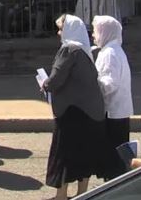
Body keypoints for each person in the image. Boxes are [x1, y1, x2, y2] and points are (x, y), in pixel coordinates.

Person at [42, 15, 108, 200]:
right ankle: (82, 193)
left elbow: (56, 78)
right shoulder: (85, 50)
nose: (58, 33)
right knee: (84, 154)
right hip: (91, 112)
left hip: (73, 111)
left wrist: (45, 84)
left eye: (61, 29)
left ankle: (61, 195)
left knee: (64, 154)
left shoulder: (69, 50)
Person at [91, 16, 133, 180]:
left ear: (105, 32)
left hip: (113, 109)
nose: (93, 35)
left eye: (96, 31)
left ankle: (114, 183)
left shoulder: (109, 53)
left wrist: (93, 84)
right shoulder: (112, 50)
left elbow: (110, 83)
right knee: (119, 149)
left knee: (114, 151)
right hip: (117, 108)